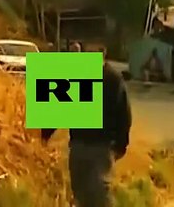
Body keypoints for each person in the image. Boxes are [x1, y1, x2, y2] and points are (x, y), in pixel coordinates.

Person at [41, 47, 132, 207]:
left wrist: (120, 145)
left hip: (101, 148)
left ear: (103, 55)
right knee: (81, 195)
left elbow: (123, 115)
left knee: (99, 194)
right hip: (79, 146)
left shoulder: (112, 79)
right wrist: (45, 133)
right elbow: (62, 107)